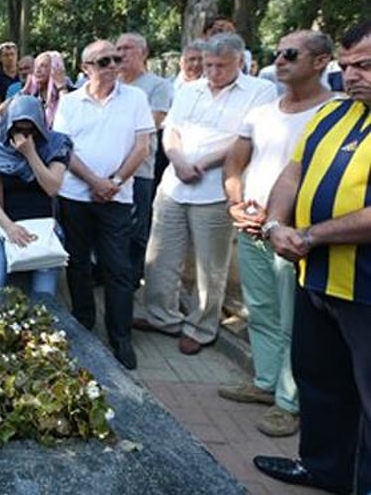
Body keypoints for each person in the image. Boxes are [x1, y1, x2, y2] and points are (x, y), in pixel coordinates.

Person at [253, 20, 371, 495]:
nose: (352, 75)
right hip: (317, 278)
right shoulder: (333, 115)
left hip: (365, 288)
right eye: (346, 67)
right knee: (320, 380)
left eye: (364, 65)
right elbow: (293, 172)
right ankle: (324, 468)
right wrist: (276, 225)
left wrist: (310, 234)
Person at [219, 30, 335, 438]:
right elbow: (234, 163)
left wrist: (284, 222)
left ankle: (290, 402)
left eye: (290, 53)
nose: (279, 60)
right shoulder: (263, 112)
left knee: (293, 320)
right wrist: (235, 200)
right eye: (277, 53)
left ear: (321, 61)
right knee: (262, 310)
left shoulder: (336, 112)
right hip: (252, 227)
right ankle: (265, 383)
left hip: (294, 235)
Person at [139, 33, 278, 356]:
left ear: (239, 62)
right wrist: (177, 159)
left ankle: (200, 327)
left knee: (210, 265)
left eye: (221, 66)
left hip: (216, 189)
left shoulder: (260, 91)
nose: (213, 72)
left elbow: (246, 138)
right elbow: (171, 129)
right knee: (160, 258)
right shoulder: (189, 89)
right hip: (173, 185)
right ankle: (163, 317)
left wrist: (202, 162)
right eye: (208, 65)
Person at [52, 39, 153, 370]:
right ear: (85, 68)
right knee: (79, 264)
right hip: (76, 196)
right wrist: (94, 181)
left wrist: (116, 183)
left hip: (117, 198)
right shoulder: (69, 103)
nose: (113, 65)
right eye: (104, 61)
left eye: (116, 58)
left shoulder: (135, 98)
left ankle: (120, 336)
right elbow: (64, 149)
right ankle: (83, 325)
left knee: (118, 268)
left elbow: (141, 147)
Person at [0, 95, 71, 303]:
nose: (24, 136)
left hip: (44, 226)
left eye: (30, 130)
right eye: (18, 129)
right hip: (3, 225)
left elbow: (52, 187)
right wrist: (9, 226)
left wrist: (31, 154)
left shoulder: (56, 144)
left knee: (44, 296)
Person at [116, 32, 174, 288]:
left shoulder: (157, 86)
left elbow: (153, 123)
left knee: (137, 227)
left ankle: (130, 278)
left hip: (140, 169)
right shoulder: (111, 83)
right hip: (107, 169)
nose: (120, 53)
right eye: (117, 48)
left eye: (127, 48)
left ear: (143, 53)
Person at [20, 51, 70, 128]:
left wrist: (61, 87)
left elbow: (68, 114)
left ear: (55, 68)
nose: (38, 70)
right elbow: (0, 115)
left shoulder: (70, 92)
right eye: (36, 67)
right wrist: (23, 91)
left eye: (43, 66)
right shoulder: (33, 97)